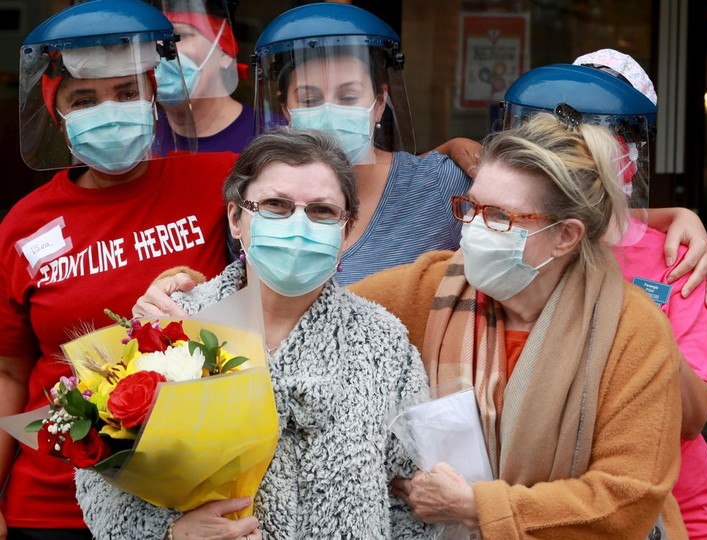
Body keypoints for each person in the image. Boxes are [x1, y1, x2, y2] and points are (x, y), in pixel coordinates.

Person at [75, 128, 433, 539]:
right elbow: (98, 484)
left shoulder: (382, 344)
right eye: (276, 206)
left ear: (346, 230)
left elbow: (414, 495)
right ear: (235, 218)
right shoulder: (171, 325)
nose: (299, 224)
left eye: (322, 212)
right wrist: (170, 535)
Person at [352, 113, 685, 538]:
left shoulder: (632, 331)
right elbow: (322, 313)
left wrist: (479, 507)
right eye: (471, 207)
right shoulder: (434, 289)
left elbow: (626, 500)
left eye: (499, 218)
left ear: (565, 235)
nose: (472, 229)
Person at [0, 1, 239, 538]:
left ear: (154, 96)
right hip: (49, 504)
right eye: (84, 99)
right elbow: (10, 372)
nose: (109, 109)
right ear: (58, 113)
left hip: (182, 501)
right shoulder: (22, 227)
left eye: (127, 93)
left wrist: (442, 158)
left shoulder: (219, 180)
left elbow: (321, 189)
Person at [560, 49, 707, 539]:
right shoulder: (529, 243)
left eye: (616, 130)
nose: (595, 145)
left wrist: (636, 318)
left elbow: (692, 419)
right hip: (565, 505)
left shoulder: (677, 256)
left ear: (636, 150)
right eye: (577, 125)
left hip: (677, 512)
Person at [252, 2, 472, 285]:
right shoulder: (263, 200)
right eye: (309, 100)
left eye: (348, 97)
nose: (329, 112)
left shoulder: (438, 186)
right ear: (286, 111)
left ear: (379, 103)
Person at [151, 0, 254, 154]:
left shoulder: (268, 135)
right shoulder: (138, 140)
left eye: (178, 36)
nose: (160, 51)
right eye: (150, 40)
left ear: (225, 52)